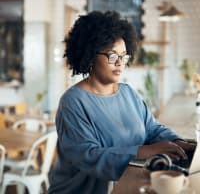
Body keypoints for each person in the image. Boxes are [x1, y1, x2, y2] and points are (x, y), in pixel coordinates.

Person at [48, 11, 195, 194]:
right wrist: (145, 151)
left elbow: (152, 129)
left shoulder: (128, 93)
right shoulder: (73, 102)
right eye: (112, 56)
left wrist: (177, 142)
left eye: (124, 56)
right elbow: (89, 157)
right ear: (90, 55)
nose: (120, 63)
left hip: (123, 183)